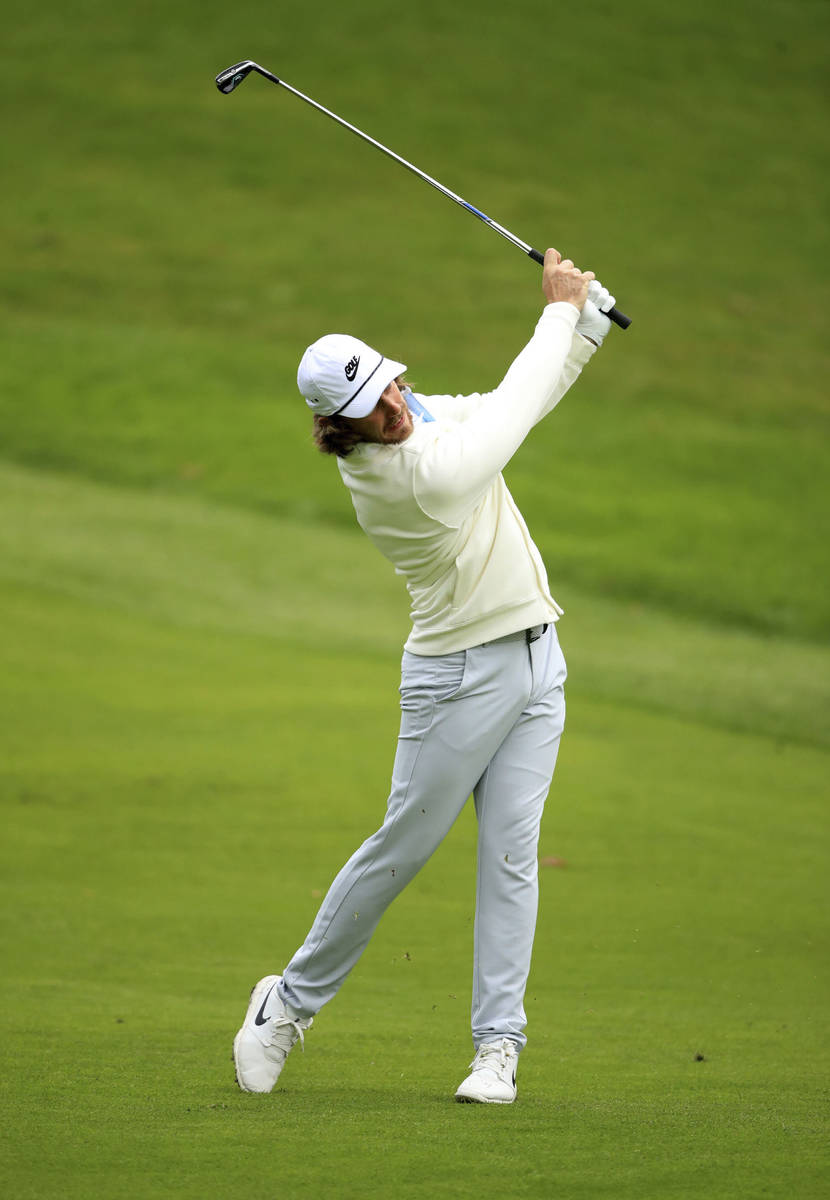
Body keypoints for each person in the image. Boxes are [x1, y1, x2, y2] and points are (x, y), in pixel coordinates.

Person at [233, 248, 615, 1104]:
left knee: (513, 857)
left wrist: (582, 333)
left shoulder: (424, 419)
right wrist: (558, 314)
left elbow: (511, 402)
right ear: (342, 428)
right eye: (374, 409)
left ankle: (497, 1049)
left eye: (393, 389)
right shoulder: (408, 479)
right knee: (402, 848)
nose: (396, 410)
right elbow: (502, 428)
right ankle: (286, 1005)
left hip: (536, 662)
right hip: (457, 678)